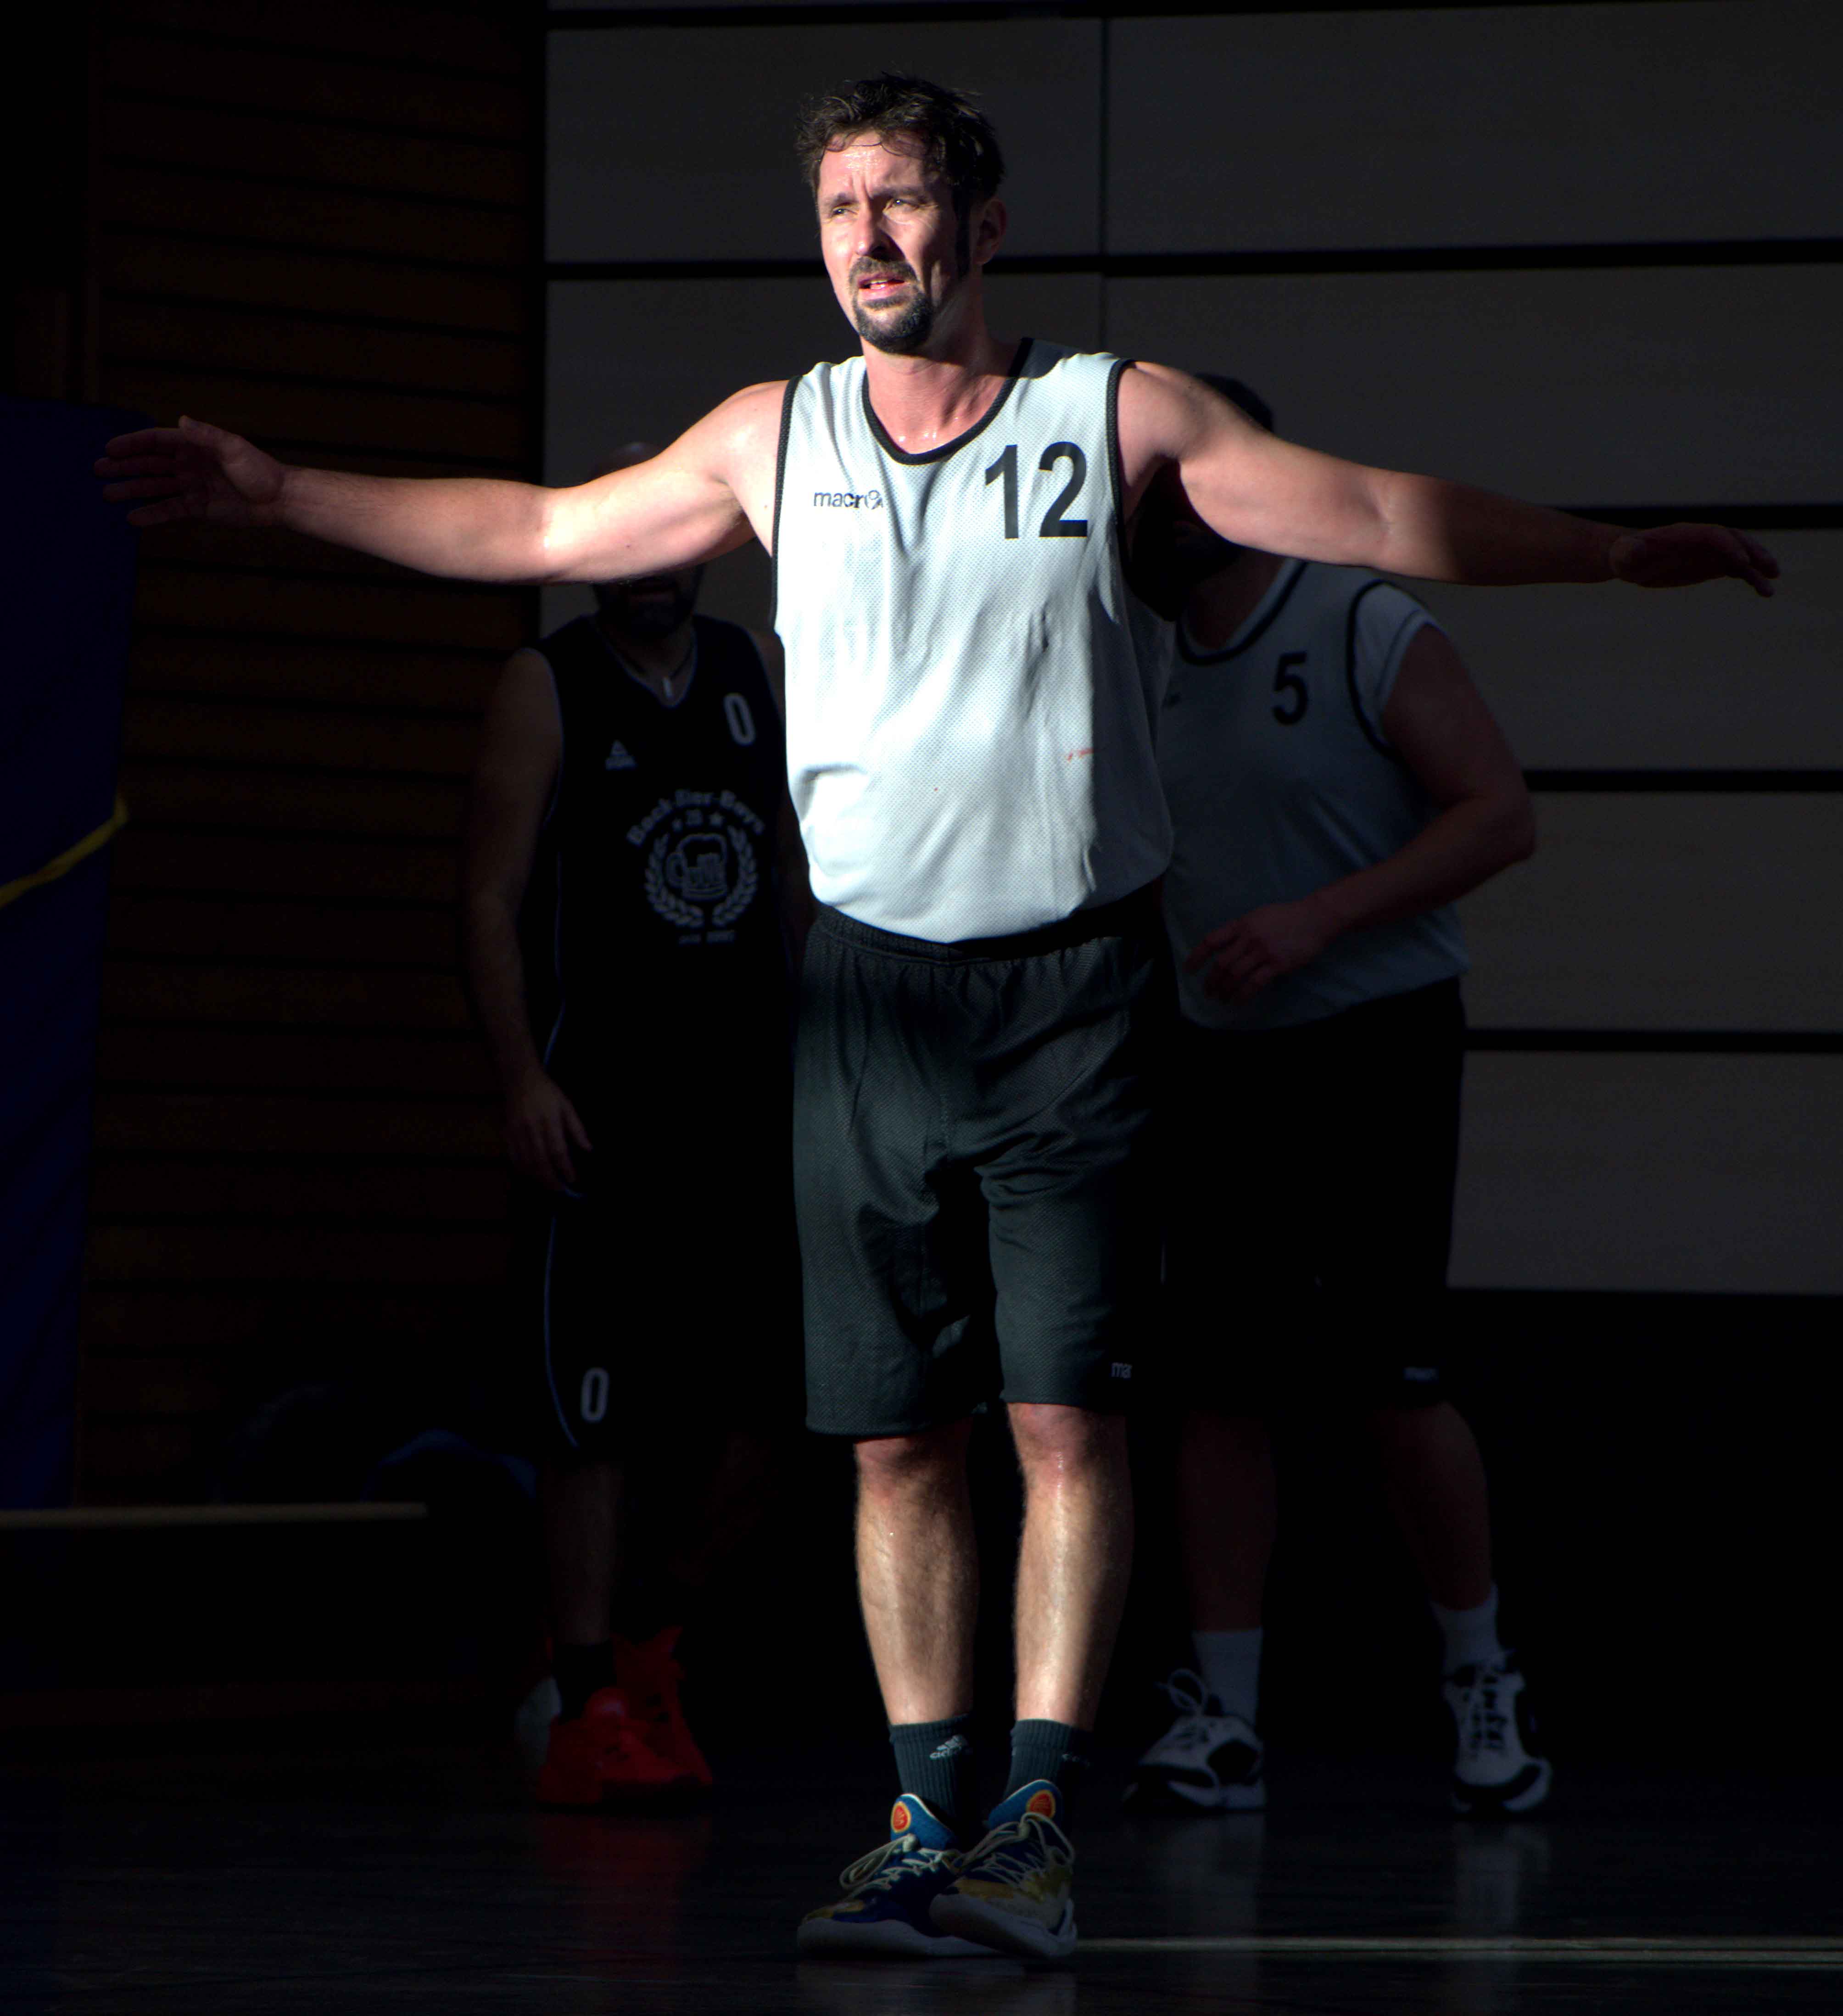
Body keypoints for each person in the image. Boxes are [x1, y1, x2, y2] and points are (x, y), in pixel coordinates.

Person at [96, 73, 1774, 1961]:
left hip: (1069, 990)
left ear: (983, 227)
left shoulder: (1111, 417)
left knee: (1060, 1421)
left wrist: (1602, 551)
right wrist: (283, 494)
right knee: (895, 1441)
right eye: (839, 209)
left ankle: (1031, 1835)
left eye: (900, 202)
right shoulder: (772, 434)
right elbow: (539, 530)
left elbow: (1374, 508)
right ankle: (920, 1823)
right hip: (863, 999)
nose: (869, 240)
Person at [1126, 379, 1550, 1822]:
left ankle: (1481, 1674)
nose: (1147, 512)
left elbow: (1501, 812)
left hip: (1376, 1042)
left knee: (1394, 1383)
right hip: (1222, 1058)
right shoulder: (1148, 657)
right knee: (1219, 1386)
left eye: (1171, 484)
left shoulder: (1362, 620)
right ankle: (1227, 1715)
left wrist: (1317, 919)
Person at [462, 443, 808, 1805]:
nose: (649, 564)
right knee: (591, 1418)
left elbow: (792, 871)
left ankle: (643, 1636)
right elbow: (489, 897)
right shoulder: (545, 684)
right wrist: (520, 1081)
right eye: (622, 542)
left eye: (671, 541)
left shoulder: (751, 669)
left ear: (706, 545)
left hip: (744, 1105)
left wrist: (828, 1050)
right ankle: (587, 1692)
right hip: (598, 1106)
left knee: (776, 1409)